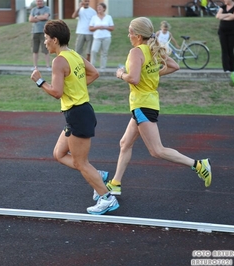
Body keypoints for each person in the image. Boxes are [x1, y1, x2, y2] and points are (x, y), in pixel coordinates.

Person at [103, 17, 212, 198]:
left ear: (137, 35)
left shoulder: (136, 52)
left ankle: (199, 165)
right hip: (147, 103)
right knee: (125, 144)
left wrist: (121, 74)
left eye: (130, 32)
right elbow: (174, 66)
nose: (128, 35)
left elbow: (134, 79)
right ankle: (115, 183)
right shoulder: (152, 49)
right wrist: (154, 73)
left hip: (142, 105)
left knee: (157, 150)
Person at [30, 19, 119, 215]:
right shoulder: (75, 55)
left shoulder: (59, 61)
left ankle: (106, 198)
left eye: (46, 39)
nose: (45, 42)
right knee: (59, 154)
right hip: (80, 112)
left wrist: (39, 81)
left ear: (54, 39)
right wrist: (76, 88)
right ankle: (98, 176)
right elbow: (94, 73)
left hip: (78, 114)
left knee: (80, 162)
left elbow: (57, 93)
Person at [216, 0, 234, 73]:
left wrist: (224, 16)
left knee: (230, 49)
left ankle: (231, 69)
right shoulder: (223, 7)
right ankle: (226, 69)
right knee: (224, 50)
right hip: (222, 31)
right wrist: (229, 14)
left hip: (233, 32)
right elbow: (218, 16)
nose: (224, 1)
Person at [89, 3, 114, 72]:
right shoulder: (94, 17)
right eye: (98, 8)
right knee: (94, 51)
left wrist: (105, 27)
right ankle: (92, 67)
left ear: (104, 9)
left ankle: (102, 68)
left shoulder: (108, 17)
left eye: (100, 7)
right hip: (97, 37)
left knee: (104, 53)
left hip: (106, 37)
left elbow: (112, 28)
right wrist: (97, 27)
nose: (99, 9)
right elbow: (90, 28)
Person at [29, 0, 51, 71]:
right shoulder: (33, 9)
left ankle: (48, 66)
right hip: (35, 32)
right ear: (36, 2)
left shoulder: (47, 9)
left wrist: (35, 17)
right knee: (35, 50)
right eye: (38, 1)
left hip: (44, 32)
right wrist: (39, 17)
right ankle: (35, 67)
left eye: (40, 1)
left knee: (46, 49)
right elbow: (30, 19)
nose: (39, 2)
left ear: (43, 2)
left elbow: (46, 17)